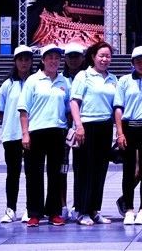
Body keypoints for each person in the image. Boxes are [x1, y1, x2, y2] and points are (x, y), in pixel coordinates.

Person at [18, 44, 71, 227]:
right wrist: (25, 134)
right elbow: (23, 109)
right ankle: (34, 213)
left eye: (57, 58)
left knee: (56, 174)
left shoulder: (64, 82)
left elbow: (69, 108)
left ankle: (54, 212)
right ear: (43, 60)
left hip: (57, 132)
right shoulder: (33, 81)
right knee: (34, 174)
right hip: (36, 132)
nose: (53, 61)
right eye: (50, 58)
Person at [70, 41, 117, 225]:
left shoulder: (113, 79)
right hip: (86, 127)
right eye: (101, 56)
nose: (105, 59)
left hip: (105, 127)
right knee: (85, 170)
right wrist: (79, 126)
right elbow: (74, 102)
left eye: (108, 56)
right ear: (93, 57)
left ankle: (95, 210)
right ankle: (82, 211)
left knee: (100, 170)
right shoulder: (83, 76)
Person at [114, 46, 142, 225]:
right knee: (128, 170)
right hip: (129, 127)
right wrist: (120, 133)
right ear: (132, 63)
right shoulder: (124, 81)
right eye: (138, 61)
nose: (141, 64)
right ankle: (129, 209)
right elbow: (118, 108)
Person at [0, 45, 34, 223]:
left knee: (31, 173)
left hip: (32, 134)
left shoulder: (36, 82)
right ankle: (10, 208)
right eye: (20, 59)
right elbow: (0, 111)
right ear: (15, 62)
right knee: (13, 173)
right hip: (11, 135)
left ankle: (30, 208)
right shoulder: (7, 85)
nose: (24, 63)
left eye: (27, 59)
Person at [60, 42, 85, 221]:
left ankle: (79, 204)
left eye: (77, 56)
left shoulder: (87, 77)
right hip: (63, 128)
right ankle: (62, 205)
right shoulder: (60, 78)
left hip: (82, 128)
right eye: (70, 56)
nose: (74, 60)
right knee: (62, 167)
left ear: (83, 58)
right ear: (65, 59)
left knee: (80, 167)